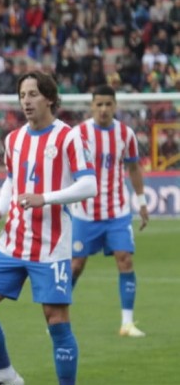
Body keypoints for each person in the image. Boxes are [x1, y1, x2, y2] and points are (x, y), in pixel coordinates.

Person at [0, 72, 96, 385]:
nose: (26, 100)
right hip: (12, 241)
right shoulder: (14, 139)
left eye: (34, 94)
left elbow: (88, 186)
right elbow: (13, 180)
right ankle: (7, 378)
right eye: (22, 94)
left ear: (50, 98)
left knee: (56, 320)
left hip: (51, 247)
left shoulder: (68, 138)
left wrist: (45, 198)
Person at [71, 85, 149, 337]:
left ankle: (127, 323)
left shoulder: (125, 134)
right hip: (85, 213)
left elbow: (134, 169)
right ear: (91, 106)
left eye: (108, 104)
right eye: (99, 104)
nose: (103, 109)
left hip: (117, 211)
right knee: (75, 266)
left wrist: (142, 201)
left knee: (125, 260)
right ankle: (58, 316)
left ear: (115, 106)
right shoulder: (78, 134)